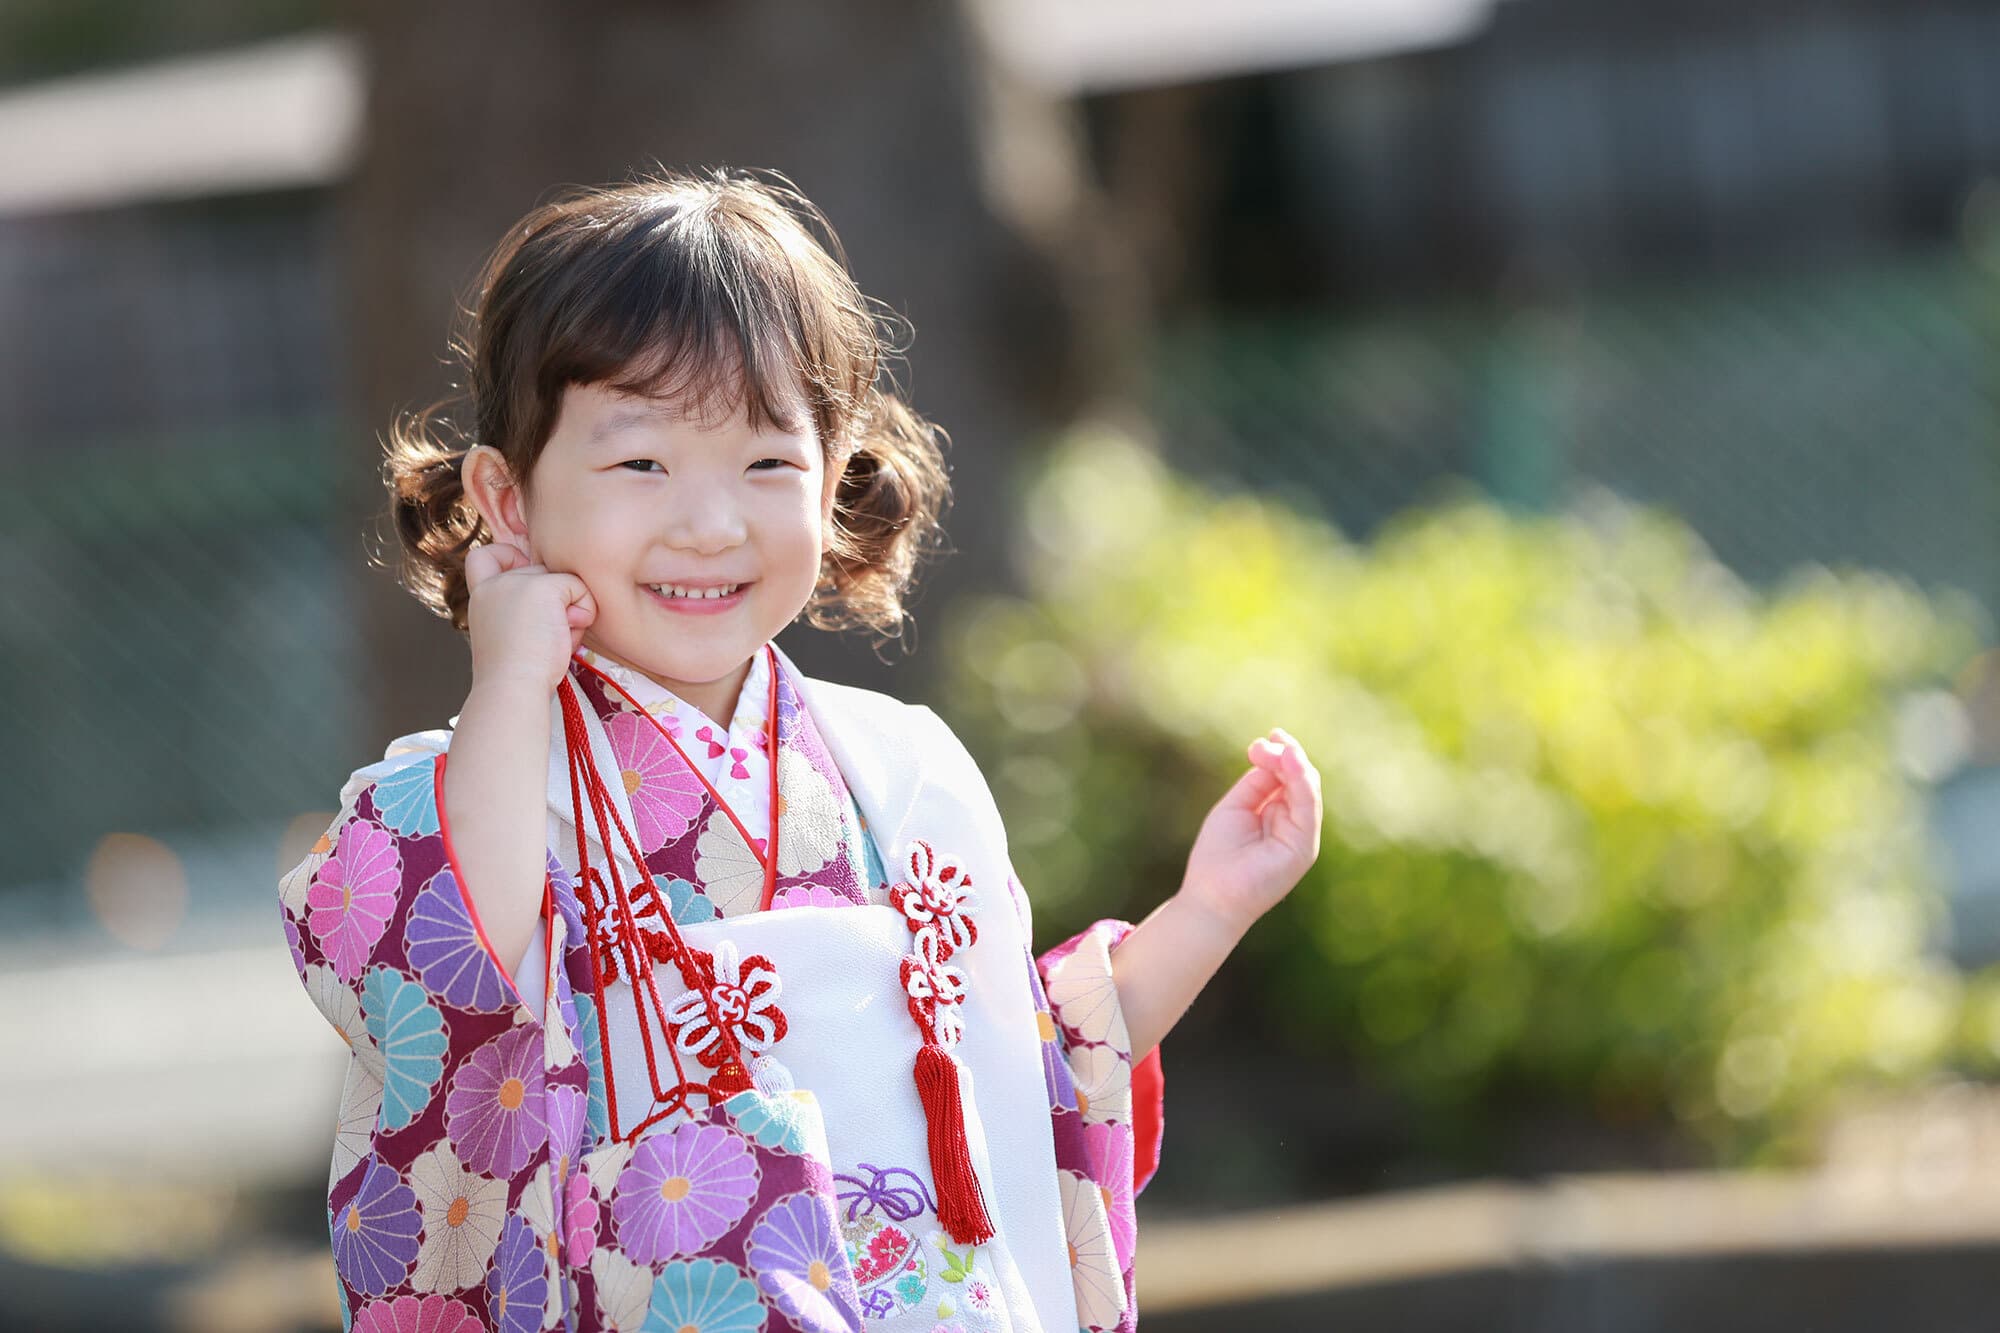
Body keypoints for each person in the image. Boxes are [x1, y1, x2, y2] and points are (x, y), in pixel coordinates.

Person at [280, 167, 1322, 1333]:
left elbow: (1018, 1063)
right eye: (640, 463)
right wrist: (511, 685)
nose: (710, 523)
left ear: (834, 476)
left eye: (767, 462)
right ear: (507, 498)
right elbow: (457, 982)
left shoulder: (900, 768)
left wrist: (1208, 909)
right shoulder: (462, 795)